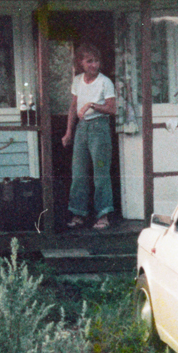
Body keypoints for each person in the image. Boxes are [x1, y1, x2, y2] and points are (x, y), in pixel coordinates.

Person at [62, 43, 116, 230]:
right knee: (78, 173)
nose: (94, 65)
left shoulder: (105, 82)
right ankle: (78, 213)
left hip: (99, 129)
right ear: (81, 63)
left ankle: (103, 216)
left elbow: (112, 108)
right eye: (89, 61)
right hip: (81, 129)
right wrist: (69, 132)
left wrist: (92, 105)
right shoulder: (77, 80)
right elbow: (73, 107)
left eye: (96, 61)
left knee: (100, 174)